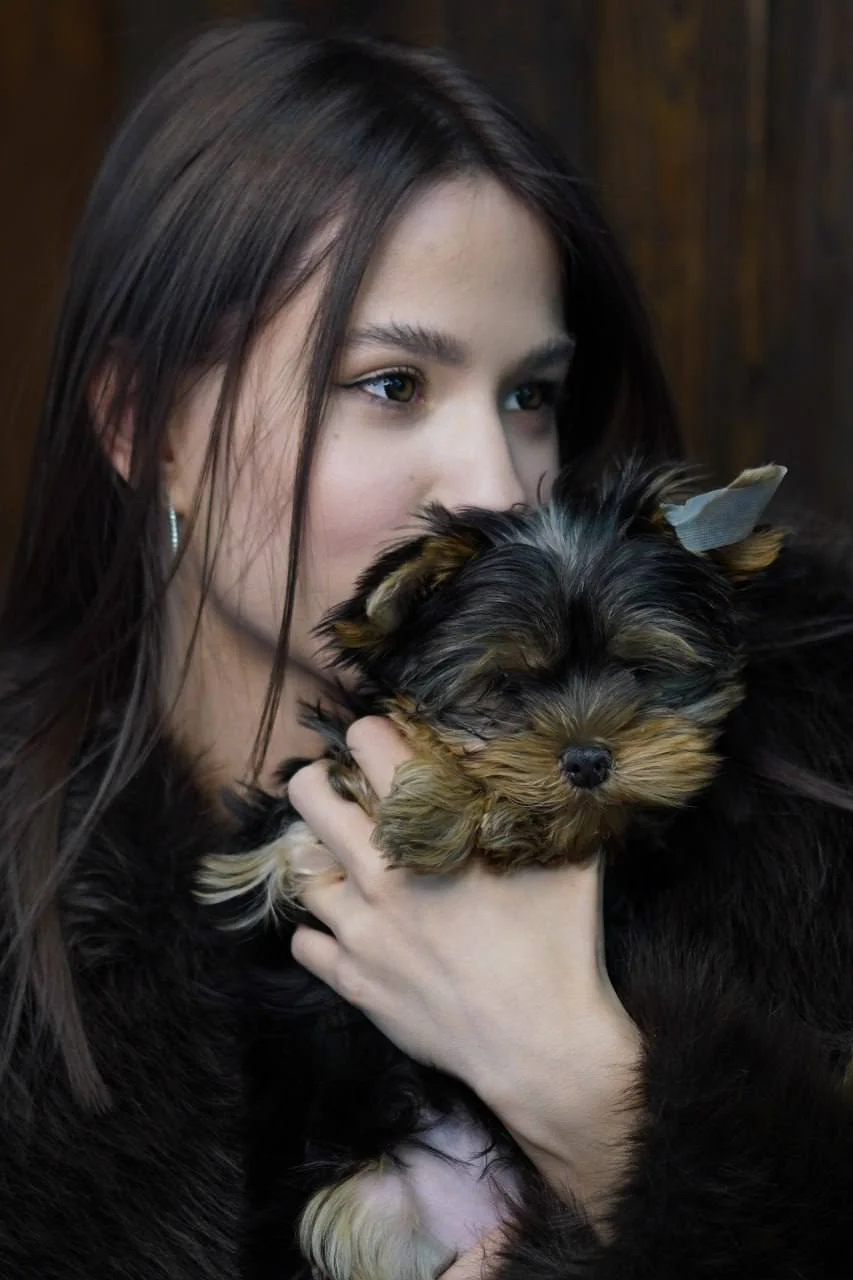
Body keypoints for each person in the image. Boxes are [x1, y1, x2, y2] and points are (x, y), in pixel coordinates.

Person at [2, 18, 851, 1280]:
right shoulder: (27, 921)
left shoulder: (807, 807)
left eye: (530, 395)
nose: (497, 484)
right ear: (144, 426)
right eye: (393, 384)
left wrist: (581, 1089)